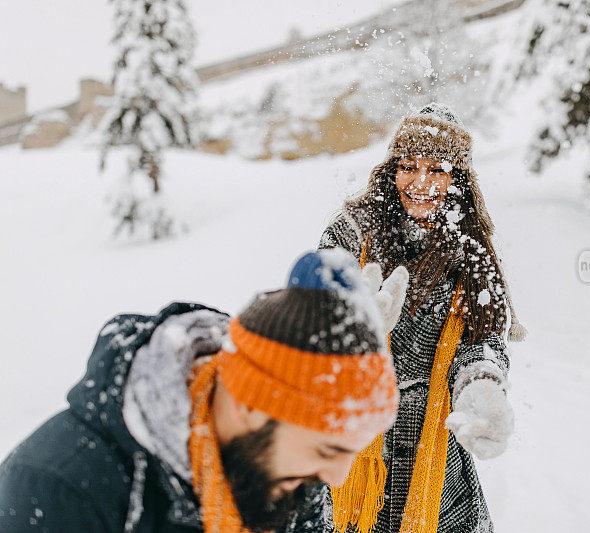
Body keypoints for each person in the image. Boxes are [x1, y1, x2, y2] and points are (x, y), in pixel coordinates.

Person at [0, 249, 409, 533]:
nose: (338, 480)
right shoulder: (59, 488)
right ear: (249, 406)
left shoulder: (289, 476)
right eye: (327, 450)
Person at [319, 103, 526, 533]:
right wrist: (348, 326)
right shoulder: (351, 233)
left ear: (459, 180)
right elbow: (306, 311)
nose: (420, 183)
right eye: (408, 166)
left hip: (434, 451)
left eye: (437, 170)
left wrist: (482, 382)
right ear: (391, 169)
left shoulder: (472, 254)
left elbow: (482, 341)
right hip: (353, 440)